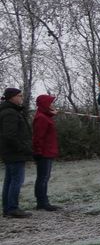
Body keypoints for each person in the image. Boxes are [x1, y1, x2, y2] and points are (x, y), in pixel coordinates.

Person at [1, 88, 33, 218]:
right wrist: (23, 148)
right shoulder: (10, 113)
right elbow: (10, 135)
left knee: (9, 181)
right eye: (19, 96)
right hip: (14, 152)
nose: (21, 98)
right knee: (16, 181)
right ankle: (13, 208)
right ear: (11, 97)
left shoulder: (10, 111)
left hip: (10, 152)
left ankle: (8, 209)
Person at [31, 94, 60, 211]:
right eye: (51, 103)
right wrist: (38, 152)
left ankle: (43, 201)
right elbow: (38, 137)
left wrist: (52, 114)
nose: (53, 105)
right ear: (45, 104)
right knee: (43, 178)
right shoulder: (41, 118)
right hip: (43, 153)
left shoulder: (45, 116)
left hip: (47, 151)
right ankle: (42, 202)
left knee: (44, 177)